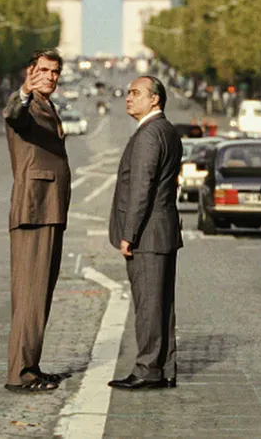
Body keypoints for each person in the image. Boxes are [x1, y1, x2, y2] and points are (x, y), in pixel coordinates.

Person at [107, 76, 182, 390]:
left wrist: (129, 234)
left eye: (136, 93)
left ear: (155, 99)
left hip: (148, 234)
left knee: (149, 305)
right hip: (162, 231)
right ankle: (164, 368)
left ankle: (148, 370)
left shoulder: (148, 134)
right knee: (162, 305)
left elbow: (141, 188)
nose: (128, 97)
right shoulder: (167, 130)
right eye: (128, 93)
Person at [2, 48, 71, 392]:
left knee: (38, 293)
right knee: (30, 294)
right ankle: (20, 373)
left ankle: (31, 364)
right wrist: (24, 92)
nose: (50, 77)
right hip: (35, 208)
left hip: (48, 208)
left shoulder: (48, 105)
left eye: (54, 72)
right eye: (43, 70)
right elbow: (14, 114)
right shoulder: (27, 104)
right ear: (30, 72)